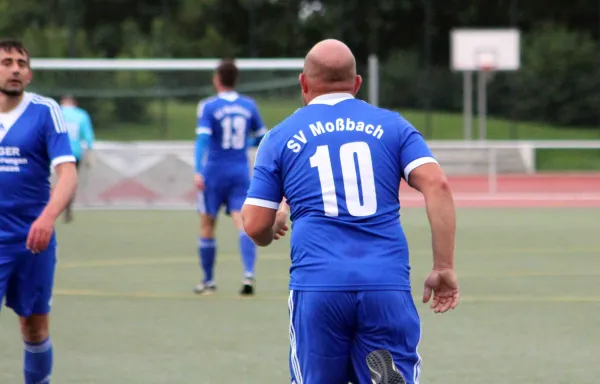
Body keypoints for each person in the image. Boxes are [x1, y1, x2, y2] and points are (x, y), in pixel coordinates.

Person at [241, 39, 459, 384]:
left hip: (319, 284)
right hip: (385, 283)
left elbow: (253, 225)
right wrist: (443, 267)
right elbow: (438, 186)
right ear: (356, 84)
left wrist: (276, 222)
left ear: (303, 83)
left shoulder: (280, 137)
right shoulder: (394, 127)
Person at [0, 39, 78, 384]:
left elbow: (68, 172)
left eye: (21, 63)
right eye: (6, 62)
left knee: (34, 327)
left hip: (32, 239)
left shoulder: (46, 111)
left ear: (29, 74)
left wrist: (46, 217)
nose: (15, 68)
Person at [194, 59, 267, 296]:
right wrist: (244, 143)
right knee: (243, 223)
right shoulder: (249, 105)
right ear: (236, 80)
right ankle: (248, 274)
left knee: (207, 224)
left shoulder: (208, 106)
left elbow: (203, 141)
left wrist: (198, 170)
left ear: (217, 79)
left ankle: (208, 281)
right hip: (239, 170)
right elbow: (261, 136)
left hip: (214, 172)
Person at [60, 94, 95, 223]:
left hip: (54, 153)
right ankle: (67, 207)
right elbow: (88, 136)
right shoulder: (81, 115)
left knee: (52, 182)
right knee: (69, 182)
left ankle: (49, 207)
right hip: (74, 153)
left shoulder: (55, 112)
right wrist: (90, 152)